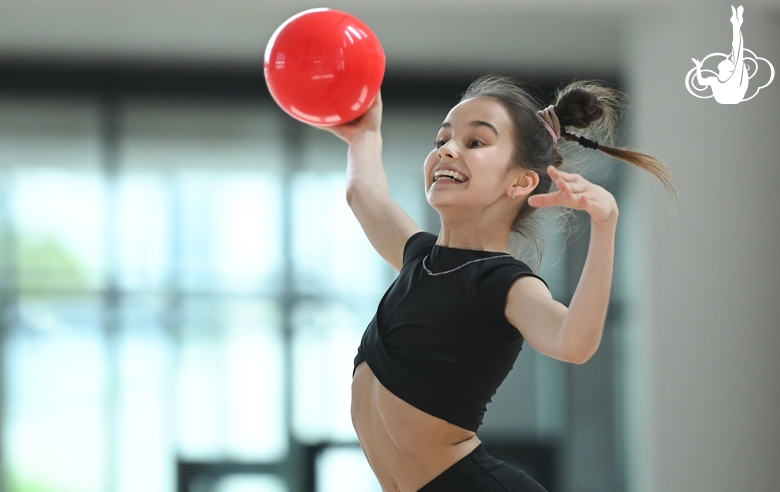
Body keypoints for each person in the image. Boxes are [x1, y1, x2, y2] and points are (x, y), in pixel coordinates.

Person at [321, 75, 673, 492]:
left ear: (521, 182)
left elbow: (573, 342)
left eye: (475, 143)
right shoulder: (418, 258)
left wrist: (605, 224)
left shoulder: (504, 283)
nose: (447, 150)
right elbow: (364, 192)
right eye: (442, 140)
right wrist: (364, 135)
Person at [692, 5, 748, 104]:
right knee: (737, 51)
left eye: (727, 61)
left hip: (733, 96)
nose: (724, 59)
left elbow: (737, 49)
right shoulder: (714, 80)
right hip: (729, 98)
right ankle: (736, 23)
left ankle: (736, 23)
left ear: (729, 69)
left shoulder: (734, 77)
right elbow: (701, 82)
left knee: (737, 51)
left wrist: (736, 26)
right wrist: (698, 67)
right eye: (728, 60)